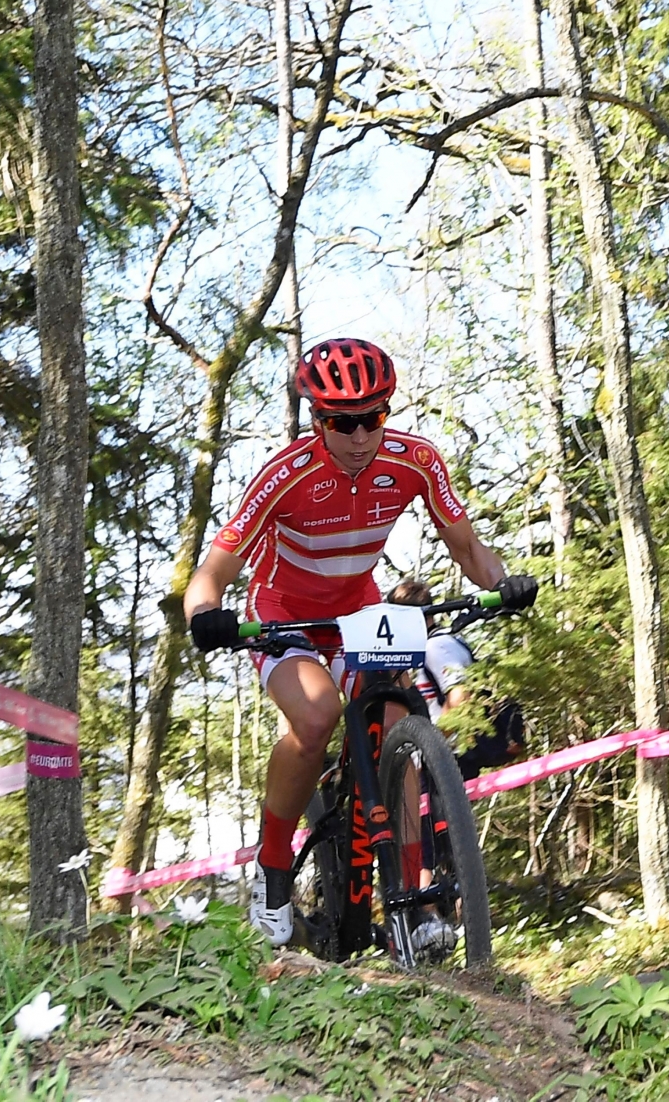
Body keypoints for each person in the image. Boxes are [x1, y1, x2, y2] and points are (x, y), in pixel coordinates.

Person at [184, 337, 536, 946]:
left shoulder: (416, 461)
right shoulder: (284, 474)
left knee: (398, 714)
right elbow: (210, 573)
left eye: (372, 418)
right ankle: (272, 873)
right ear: (318, 419)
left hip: (358, 609)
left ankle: (413, 902)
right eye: (342, 422)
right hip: (282, 611)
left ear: (387, 412)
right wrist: (205, 613)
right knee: (318, 715)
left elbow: (469, 548)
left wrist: (503, 582)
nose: (358, 435)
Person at [386, 578, 526, 780]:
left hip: (448, 757)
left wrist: (429, 747)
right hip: (446, 754)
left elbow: (459, 699)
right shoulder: (438, 643)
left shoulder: (436, 646)